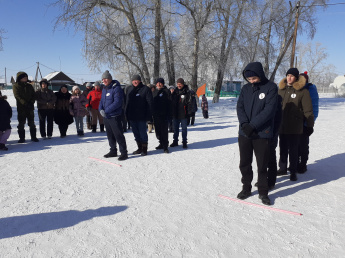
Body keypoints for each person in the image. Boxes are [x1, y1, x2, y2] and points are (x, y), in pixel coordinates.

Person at [236, 62, 278, 206]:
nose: (251, 81)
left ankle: (263, 191)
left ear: (260, 74)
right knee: (244, 163)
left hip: (262, 133)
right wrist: (244, 125)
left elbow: (269, 110)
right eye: (249, 79)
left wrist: (253, 125)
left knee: (262, 165)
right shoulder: (245, 89)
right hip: (244, 133)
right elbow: (240, 107)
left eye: (254, 78)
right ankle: (246, 188)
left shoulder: (271, 88)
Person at [277, 68, 314, 181]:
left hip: (295, 126)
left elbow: (308, 110)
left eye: (292, 76)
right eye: (288, 75)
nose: (289, 78)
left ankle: (293, 171)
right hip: (281, 125)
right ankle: (282, 168)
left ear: (296, 78)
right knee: (282, 149)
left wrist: (309, 125)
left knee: (293, 150)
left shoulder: (303, 91)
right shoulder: (280, 90)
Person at [99, 70, 128, 160]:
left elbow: (117, 102)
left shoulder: (116, 88)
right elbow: (101, 101)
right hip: (106, 117)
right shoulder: (104, 88)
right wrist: (100, 109)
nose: (104, 80)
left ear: (110, 79)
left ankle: (123, 152)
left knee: (118, 134)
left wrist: (106, 111)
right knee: (110, 135)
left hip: (114, 116)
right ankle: (113, 151)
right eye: (103, 79)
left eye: (106, 79)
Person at [297, 72, 319, 174]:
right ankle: (295, 162)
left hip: (305, 123)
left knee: (303, 145)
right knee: (294, 145)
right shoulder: (296, 88)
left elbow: (314, 108)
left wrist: (309, 124)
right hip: (294, 123)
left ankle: (303, 164)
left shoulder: (311, 89)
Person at [125, 74, 153, 156]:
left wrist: (149, 115)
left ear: (140, 81)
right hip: (132, 116)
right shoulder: (129, 90)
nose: (135, 81)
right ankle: (139, 148)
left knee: (142, 133)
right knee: (135, 133)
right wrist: (126, 113)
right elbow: (127, 103)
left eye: (136, 80)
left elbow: (150, 103)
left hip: (142, 116)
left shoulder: (145, 89)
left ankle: (144, 149)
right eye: (133, 80)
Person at [12, 72, 39, 143]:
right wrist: (25, 103)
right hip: (21, 108)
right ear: (20, 78)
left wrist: (31, 102)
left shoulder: (29, 86)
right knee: (21, 123)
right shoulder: (16, 86)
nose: (25, 79)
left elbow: (34, 95)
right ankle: (22, 138)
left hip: (30, 107)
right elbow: (17, 96)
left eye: (26, 77)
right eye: (24, 77)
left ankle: (33, 137)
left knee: (32, 123)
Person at [170, 78, 192, 149]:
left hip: (184, 114)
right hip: (175, 114)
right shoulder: (174, 91)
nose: (179, 85)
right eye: (178, 84)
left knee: (184, 129)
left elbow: (189, 103)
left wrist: (188, 113)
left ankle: (184, 142)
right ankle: (175, 141)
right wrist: (171, 94)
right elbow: (170, 101)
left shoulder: (187, 92)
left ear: (183, 84)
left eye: (180, 84)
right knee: (175, 129)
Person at [152, 78, 172, 153]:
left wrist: (170, 114)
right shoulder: (154, 92)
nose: (159, 84)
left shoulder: (166, 91)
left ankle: (165, 146)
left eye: (160, 83)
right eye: (157, 83)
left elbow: (170, 103)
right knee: (157, 131)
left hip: (164, 115)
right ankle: (161, 143)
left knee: (164, 131)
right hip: (156, 115)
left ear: (163, 84)